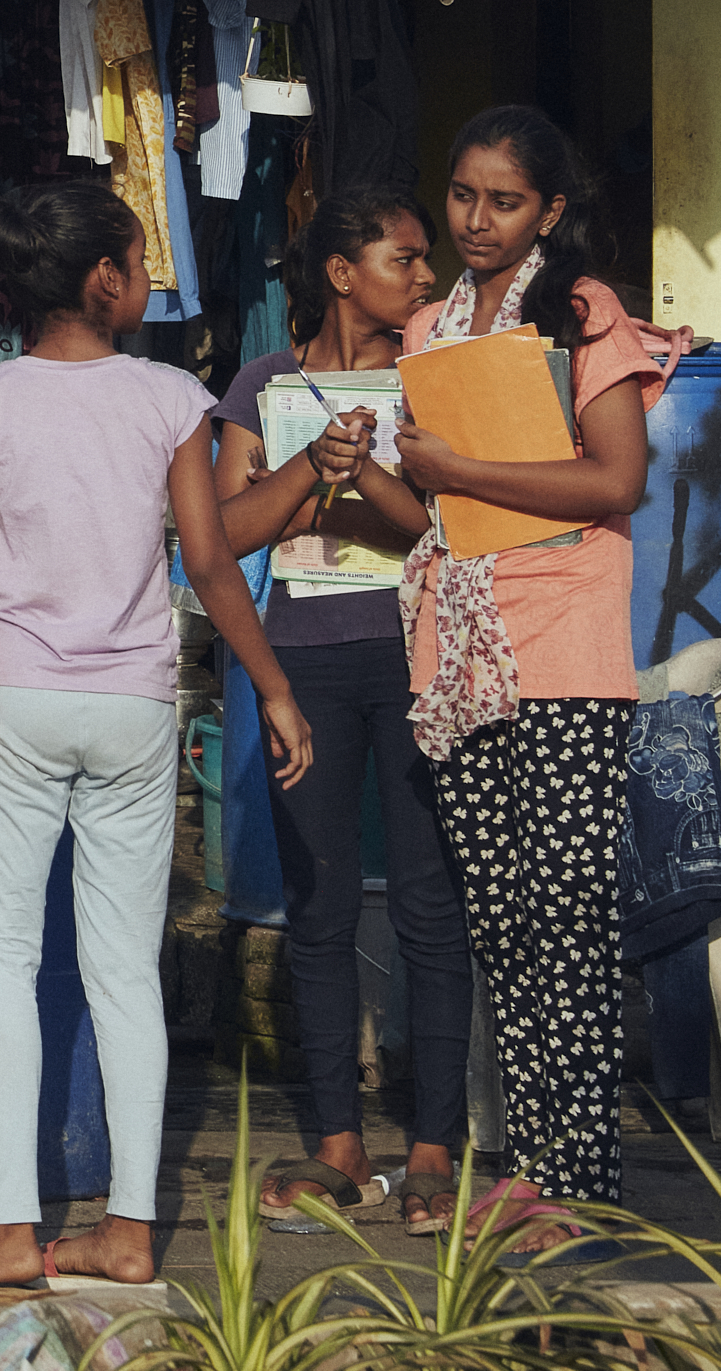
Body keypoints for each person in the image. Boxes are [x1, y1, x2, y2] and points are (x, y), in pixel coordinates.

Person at [0, 180, 314, 1292]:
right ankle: (128, 1231)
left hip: (17, 702)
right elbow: (208, 562)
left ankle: (6, 1230)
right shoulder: (169, 397)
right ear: (104, 279)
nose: (151, 279)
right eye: (140, 260)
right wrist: (270, 688)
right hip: (134, 705)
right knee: (123, 970)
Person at [387, 104, 678, 1238]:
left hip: (559, 643)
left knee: (565, 913)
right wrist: (373, 473)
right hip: (458, 646)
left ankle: (581, 1184)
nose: (473, 219)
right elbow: (438, 510)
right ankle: (531, 1169)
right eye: (460, 195)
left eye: (501, 201)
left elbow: (614, 483)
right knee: (502, 922)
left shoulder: (585, 315)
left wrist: (456, 463)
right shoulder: (425, 331)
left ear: (548, 210)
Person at [212, 190, 469, 1236]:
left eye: (424, 262)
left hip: (417, 663)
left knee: (427, 905)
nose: (422, 276)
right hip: (302, 666)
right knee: (315, 907)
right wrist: (304, 466)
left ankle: (431, 1149)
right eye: (402, 259)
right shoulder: (262, 385)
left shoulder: (431, 382)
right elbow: (222, 533)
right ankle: (334, 1147)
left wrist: (361, 464)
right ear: (337, 272)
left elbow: (448, 532)